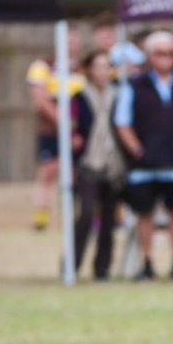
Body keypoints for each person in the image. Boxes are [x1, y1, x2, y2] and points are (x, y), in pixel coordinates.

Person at [114, 30, 173, 280]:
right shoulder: (134, 84)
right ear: (149, 56)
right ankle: (146, 264)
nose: (166, 57)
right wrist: (136, 149)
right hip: (145, 164)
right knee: (144, 213)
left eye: (171, 53)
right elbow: (122, 122)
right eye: (160, 53)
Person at [71, 49, 125, 280]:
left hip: (113, 164)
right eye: (98, 66)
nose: (102, 71)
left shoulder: (119, 94)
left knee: (109, 220)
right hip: (88, 163)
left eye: (106, 66)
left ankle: (101, 270)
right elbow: (72, 125)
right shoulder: (79, 97)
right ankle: (71, 265)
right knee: (85, 215)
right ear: (89, 70)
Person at [26, 28, 85, 231]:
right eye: (67, 42)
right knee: (47, 171)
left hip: (77, 130)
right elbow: (40, 98)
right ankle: (41, 215)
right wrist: (62, 120)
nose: (71, 46)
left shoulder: (81, 68)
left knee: (78, 173)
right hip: (51, 129)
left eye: (74, 42)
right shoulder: (43, 66)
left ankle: (79, 216)